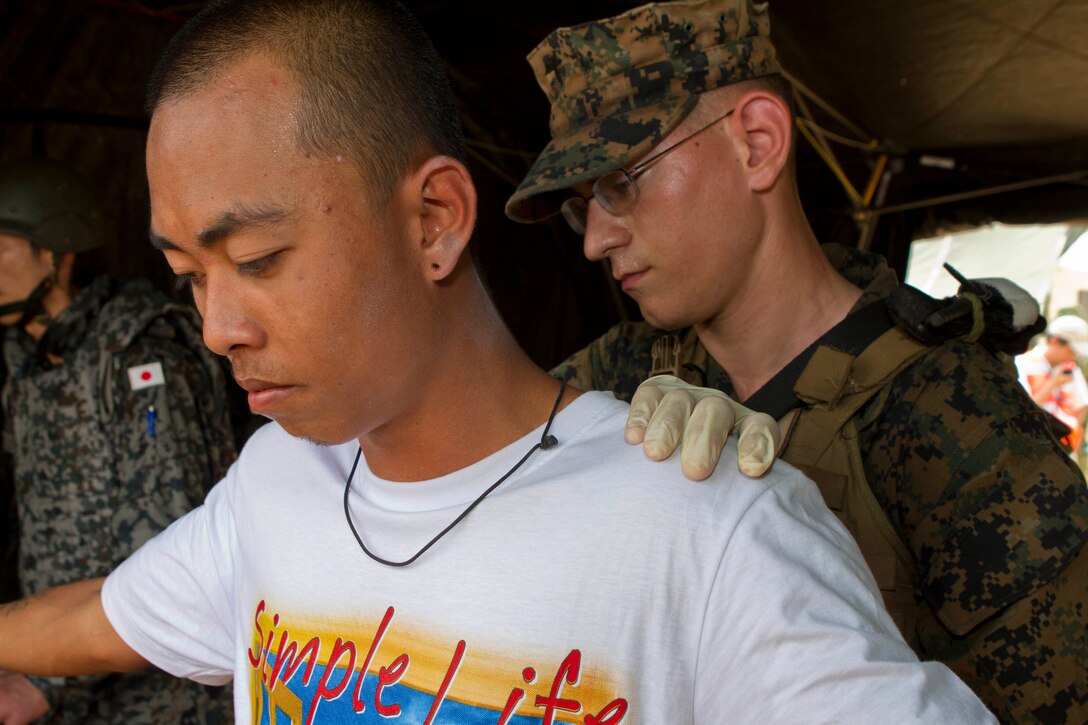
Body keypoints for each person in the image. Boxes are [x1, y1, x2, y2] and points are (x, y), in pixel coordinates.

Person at [0, 1, 998, 723]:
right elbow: (101, 612)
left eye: (257, 260)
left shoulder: (705, 525)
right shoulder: (272, 483)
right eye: (187, 277)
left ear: (434, 220)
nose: (217, 325)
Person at [503, 0, 1088, 722]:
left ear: (756, 142)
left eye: (623, 182)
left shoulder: (950, 419)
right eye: (583, 202)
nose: (594, 239)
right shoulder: (612, 380)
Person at [0, 158, 236, 724]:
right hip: (68, 673)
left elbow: (168, 538)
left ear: (58, 254)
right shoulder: (27, 363)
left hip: (160, 697)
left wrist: (48, 677)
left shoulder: (140, 350)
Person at [1015, 314, 1088, 455]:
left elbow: (1082, 406)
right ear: (1054, 341)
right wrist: (1053, 384)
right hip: (1033, 447)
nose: (1074, 357)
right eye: (1072, 351)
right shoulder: (1024, 364)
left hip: (1064, 449)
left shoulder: (1071, 370)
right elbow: (1023, 410)